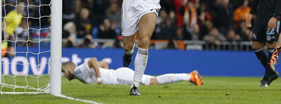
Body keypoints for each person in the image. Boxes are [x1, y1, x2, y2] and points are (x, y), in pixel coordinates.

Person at [62, 58, 203, 86]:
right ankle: (189, 75)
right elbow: (104, 63)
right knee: (152, 81)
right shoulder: (80, 75)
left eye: (64, 71)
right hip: (118, 75)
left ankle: (189, 76)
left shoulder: (79, 70)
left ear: (71, 68)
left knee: (152, 82)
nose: (64, 74)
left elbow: (93, 60)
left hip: (119, 77)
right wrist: (103, 75)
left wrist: (100, 79)